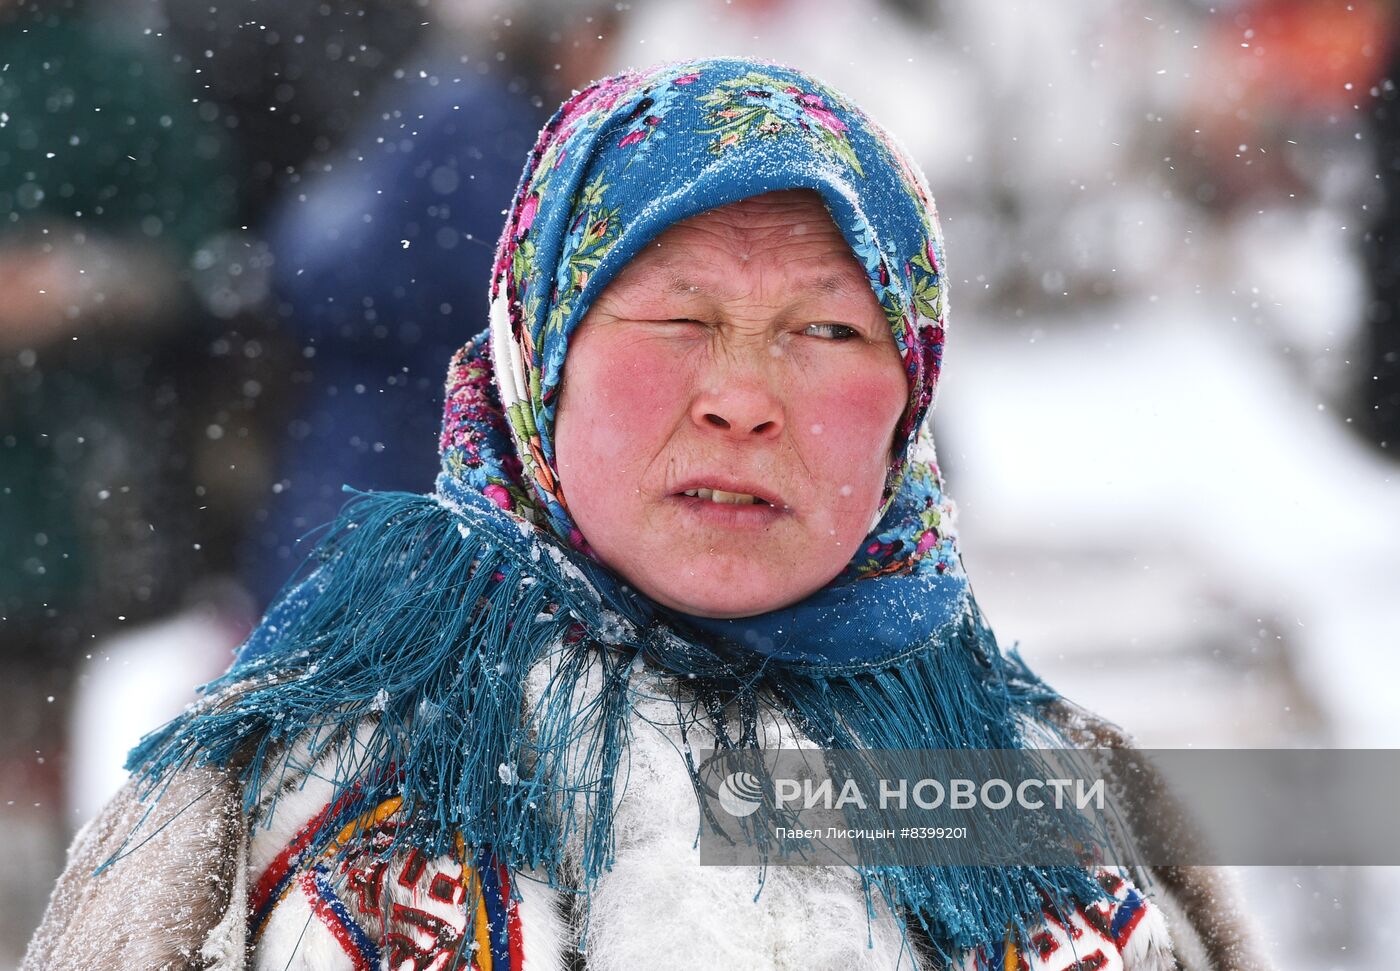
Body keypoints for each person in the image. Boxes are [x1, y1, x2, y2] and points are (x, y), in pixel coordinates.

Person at [23, 57, 1268, 970]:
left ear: (911, 393)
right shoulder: (282, 793)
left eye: (826, 328)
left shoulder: (1053, 817)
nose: (740, 399)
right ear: (538, 354)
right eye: (676, 317)